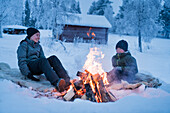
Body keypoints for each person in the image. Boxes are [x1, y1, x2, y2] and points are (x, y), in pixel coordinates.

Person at [17, 28, 70, 92]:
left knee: (53, 58)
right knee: (42, 60)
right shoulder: (24, 45)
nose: (38, 37)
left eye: (39, 35)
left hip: (38, 65)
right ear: (31, 35)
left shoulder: (38, 46)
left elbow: (43, 58)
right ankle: (56, 82)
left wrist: (50, 70)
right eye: (37, 35)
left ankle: (67, 81)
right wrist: (27, 74)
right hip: (30, 66)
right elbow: (21, 61)